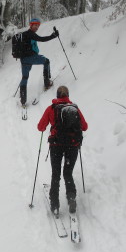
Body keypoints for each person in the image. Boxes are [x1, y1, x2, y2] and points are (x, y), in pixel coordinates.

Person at [37, 85, 88, 216]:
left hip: (56, 145)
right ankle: (71, 198)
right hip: (73, 145)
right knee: (68, 172)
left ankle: (55, 205)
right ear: (68, 95)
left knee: (56, 174)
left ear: (57, 95)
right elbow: (85, 126)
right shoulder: (74, 108)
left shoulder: (51, 108)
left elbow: (40, 127)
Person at [16, 18, 59, 107]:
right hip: (31, 58)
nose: (37, 27)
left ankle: (23, 101)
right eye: (35, 25)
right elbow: (41, 39)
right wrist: (53, 36)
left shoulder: (24, 35)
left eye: (38, 25)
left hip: (23, 59)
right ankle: (47, 83)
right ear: (31, 25)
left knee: (25, 77)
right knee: (46, 61)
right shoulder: (30, 34)